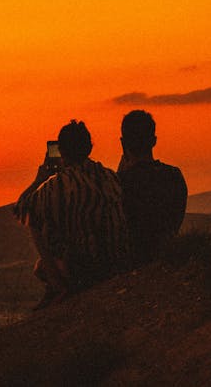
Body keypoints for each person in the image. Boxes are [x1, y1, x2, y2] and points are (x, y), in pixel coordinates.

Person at [15, 120, 129, 307]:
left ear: (61, 151)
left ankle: (59, 287)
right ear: (89, 147)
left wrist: (39, 180)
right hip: (116, 262)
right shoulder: (109, 176)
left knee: (36, 225)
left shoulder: (58, 186)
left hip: (83, 267)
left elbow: (22, 211)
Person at [117, 109, 187, 266]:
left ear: (123, 143)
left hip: (132, 263)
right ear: (153, 140)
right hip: (166, 258)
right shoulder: (174, 176)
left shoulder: (119, 184)